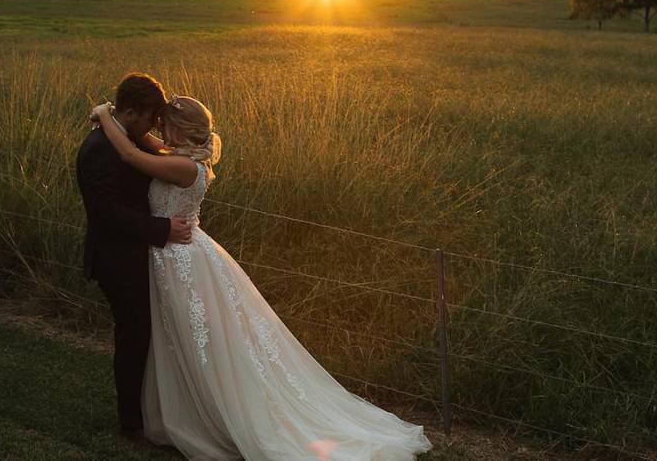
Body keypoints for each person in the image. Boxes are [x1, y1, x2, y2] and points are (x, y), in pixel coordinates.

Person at [90, 94, 432, 460]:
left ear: (182, 133)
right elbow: (145, 143)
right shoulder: (185, 156)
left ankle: (214, 414)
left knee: (197, 341)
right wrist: (120, 119)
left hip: (179, 258)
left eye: (165, 126)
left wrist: (102, 114)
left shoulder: (185, 168)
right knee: (183, 340)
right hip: (175, 253)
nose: (159, 130)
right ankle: (183, 408)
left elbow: (131, 154)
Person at [76, 73, 193, 440]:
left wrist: (104, 113)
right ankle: (131, 421)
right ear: (129, 112)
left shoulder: (128, 136)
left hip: (140, 254)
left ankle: (151, 411)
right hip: (116, 258)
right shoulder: (98, 148)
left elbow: (144, 155)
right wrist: (161, 229)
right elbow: (106, 211)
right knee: (134, 335)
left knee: (145, 333)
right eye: (149, 117)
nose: (153, 126)